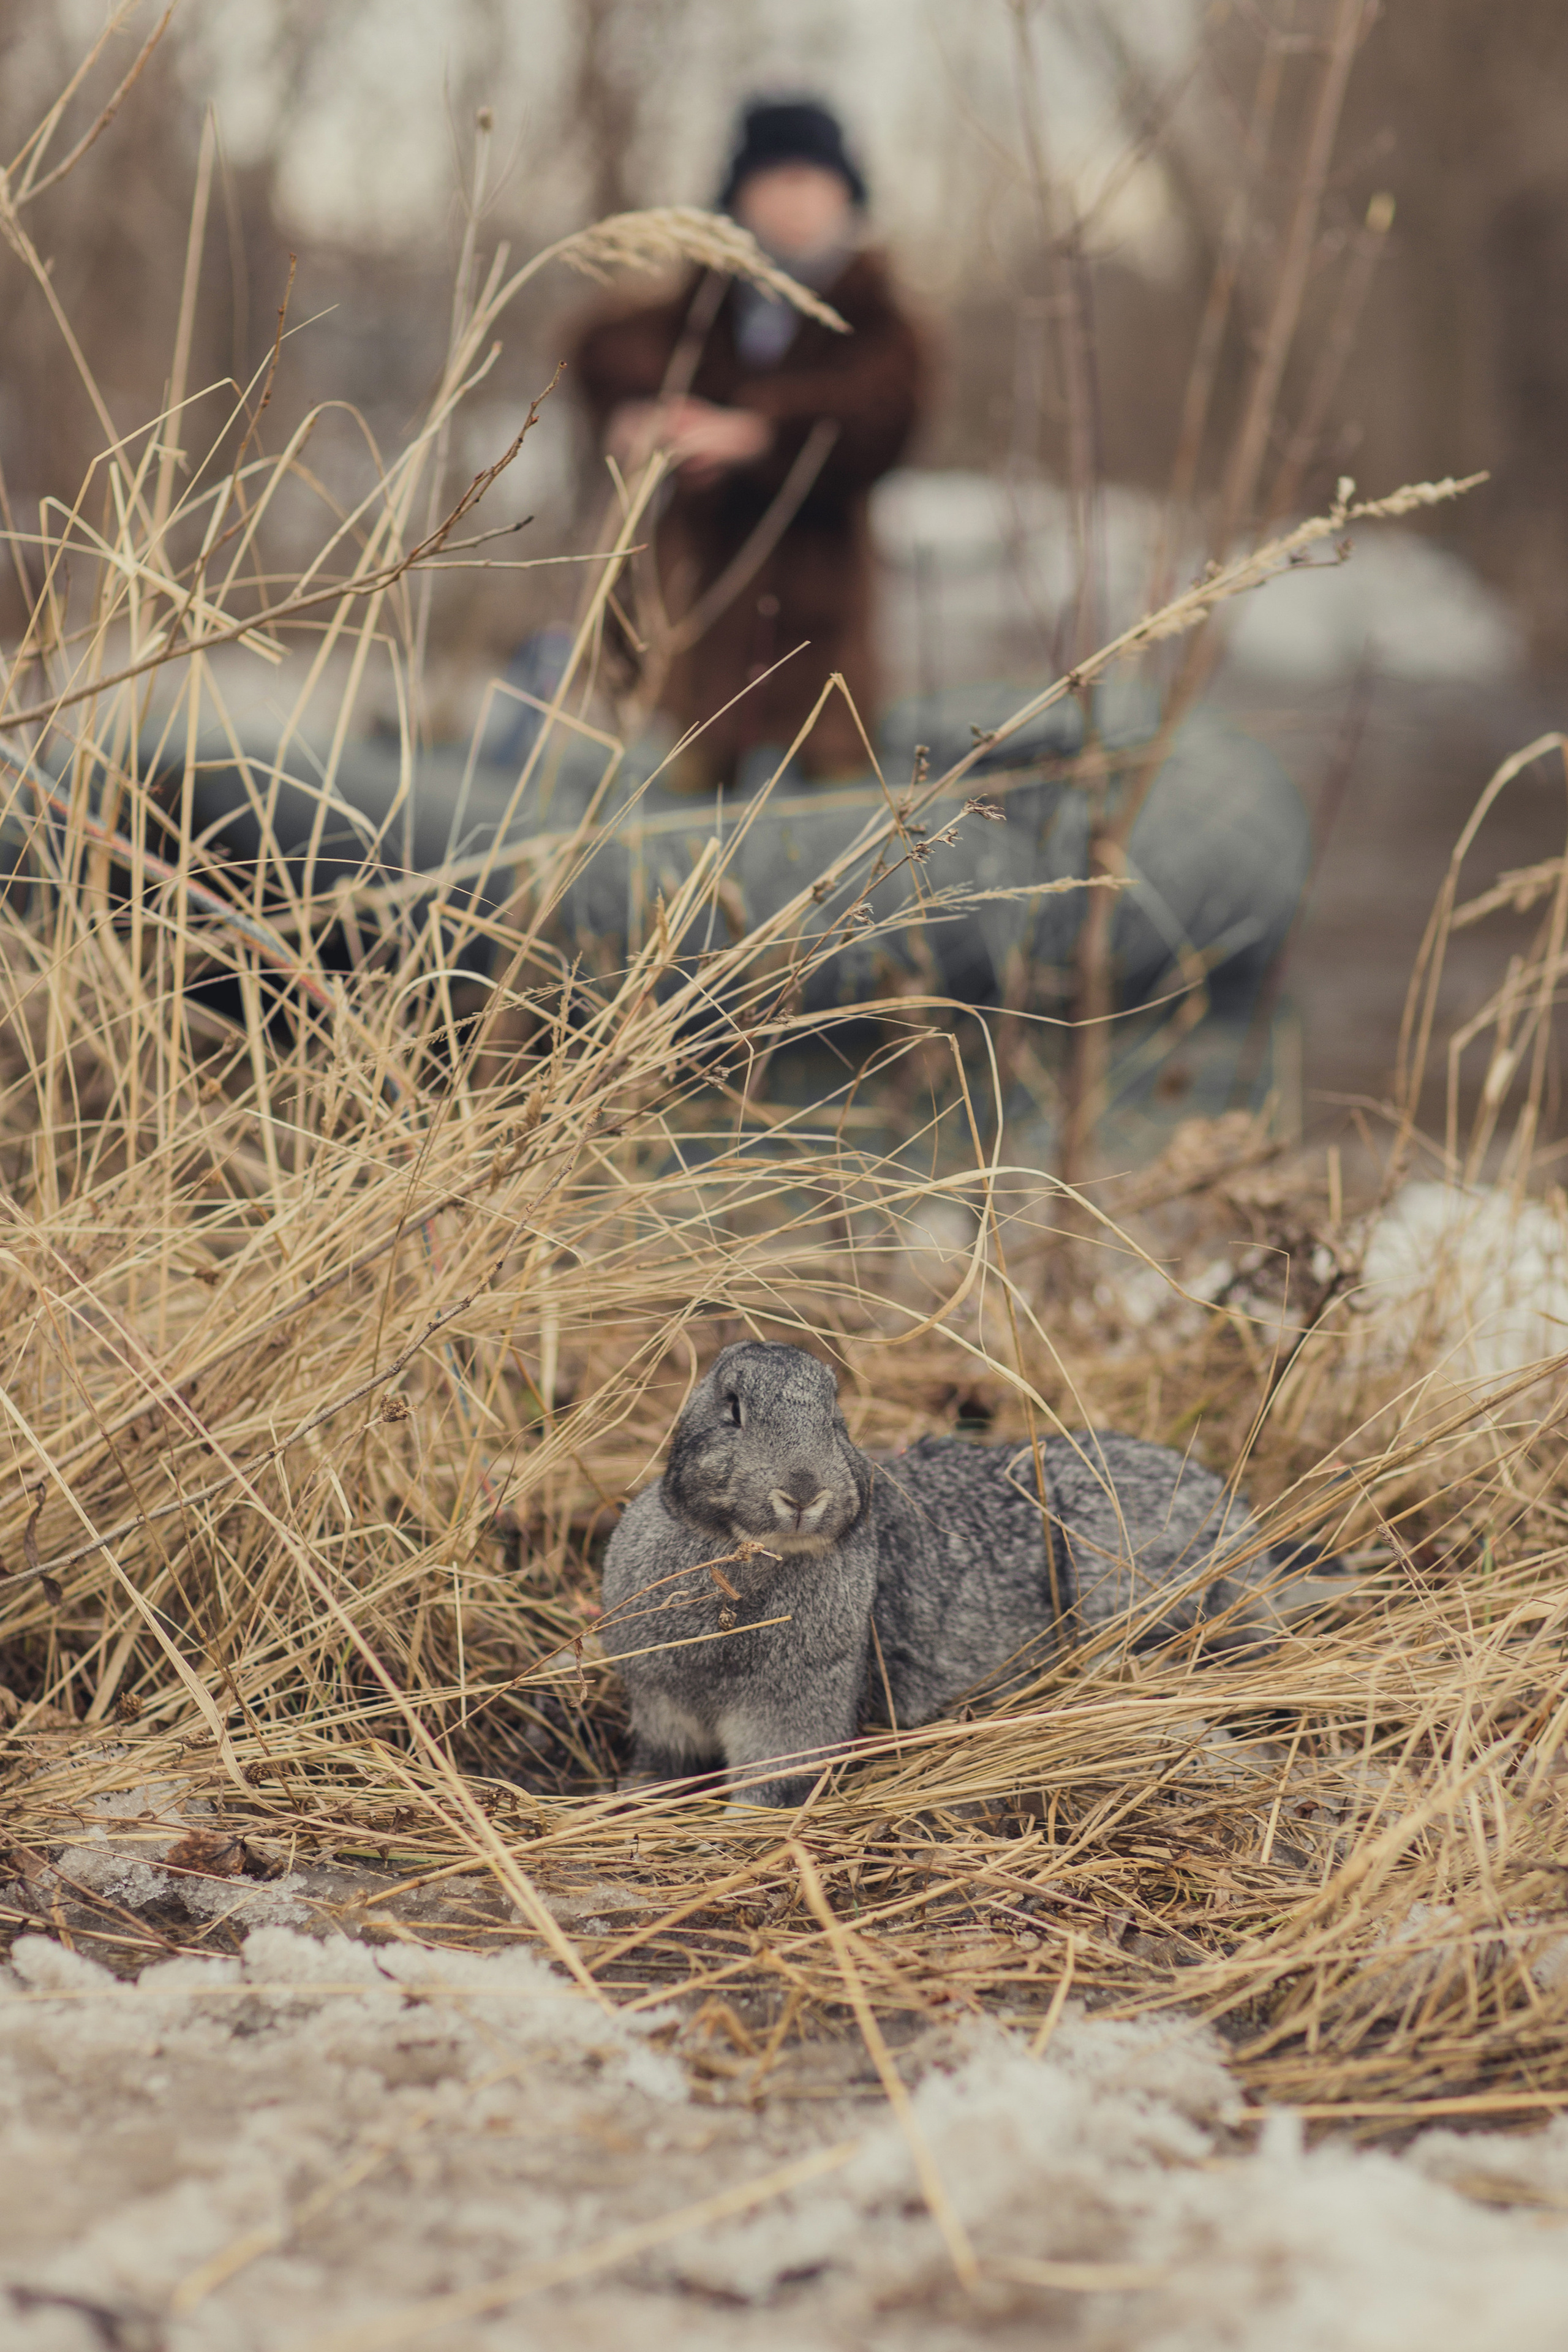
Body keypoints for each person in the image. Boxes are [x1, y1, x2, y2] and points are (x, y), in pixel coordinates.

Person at [572, 96, 925, 788]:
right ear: (739, 195)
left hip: (823, 616)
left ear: (844, 194)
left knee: (824, 804)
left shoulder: (878, 315)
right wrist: (645, 414)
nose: (793, 201)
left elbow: (884, 417)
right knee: (690, 794)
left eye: (811, 181)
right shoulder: (703, 302)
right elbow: (599, 349)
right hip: (699, 617)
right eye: (774, 179)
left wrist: (758, 432)